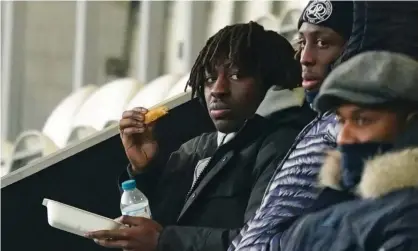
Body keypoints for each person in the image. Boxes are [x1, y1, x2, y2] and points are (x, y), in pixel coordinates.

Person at [86, 21, 315, 251]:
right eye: (209, 79)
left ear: (271, 82)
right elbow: (155, 224)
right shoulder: (193, 149)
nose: (217, 89)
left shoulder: (283, 144)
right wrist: (145, 170)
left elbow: (261, 242)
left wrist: (163, 241)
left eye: (236, 76)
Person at [230, 1, 353, 250]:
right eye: (302, 43)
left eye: (323, 43)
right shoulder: (319, 123)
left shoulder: (345, 129)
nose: (305, 58)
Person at [279, 51, 418, 251]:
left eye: (362, 120)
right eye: (341, 121)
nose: (343, 138)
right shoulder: (334, 197)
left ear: (411, 126)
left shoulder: (408, 216)